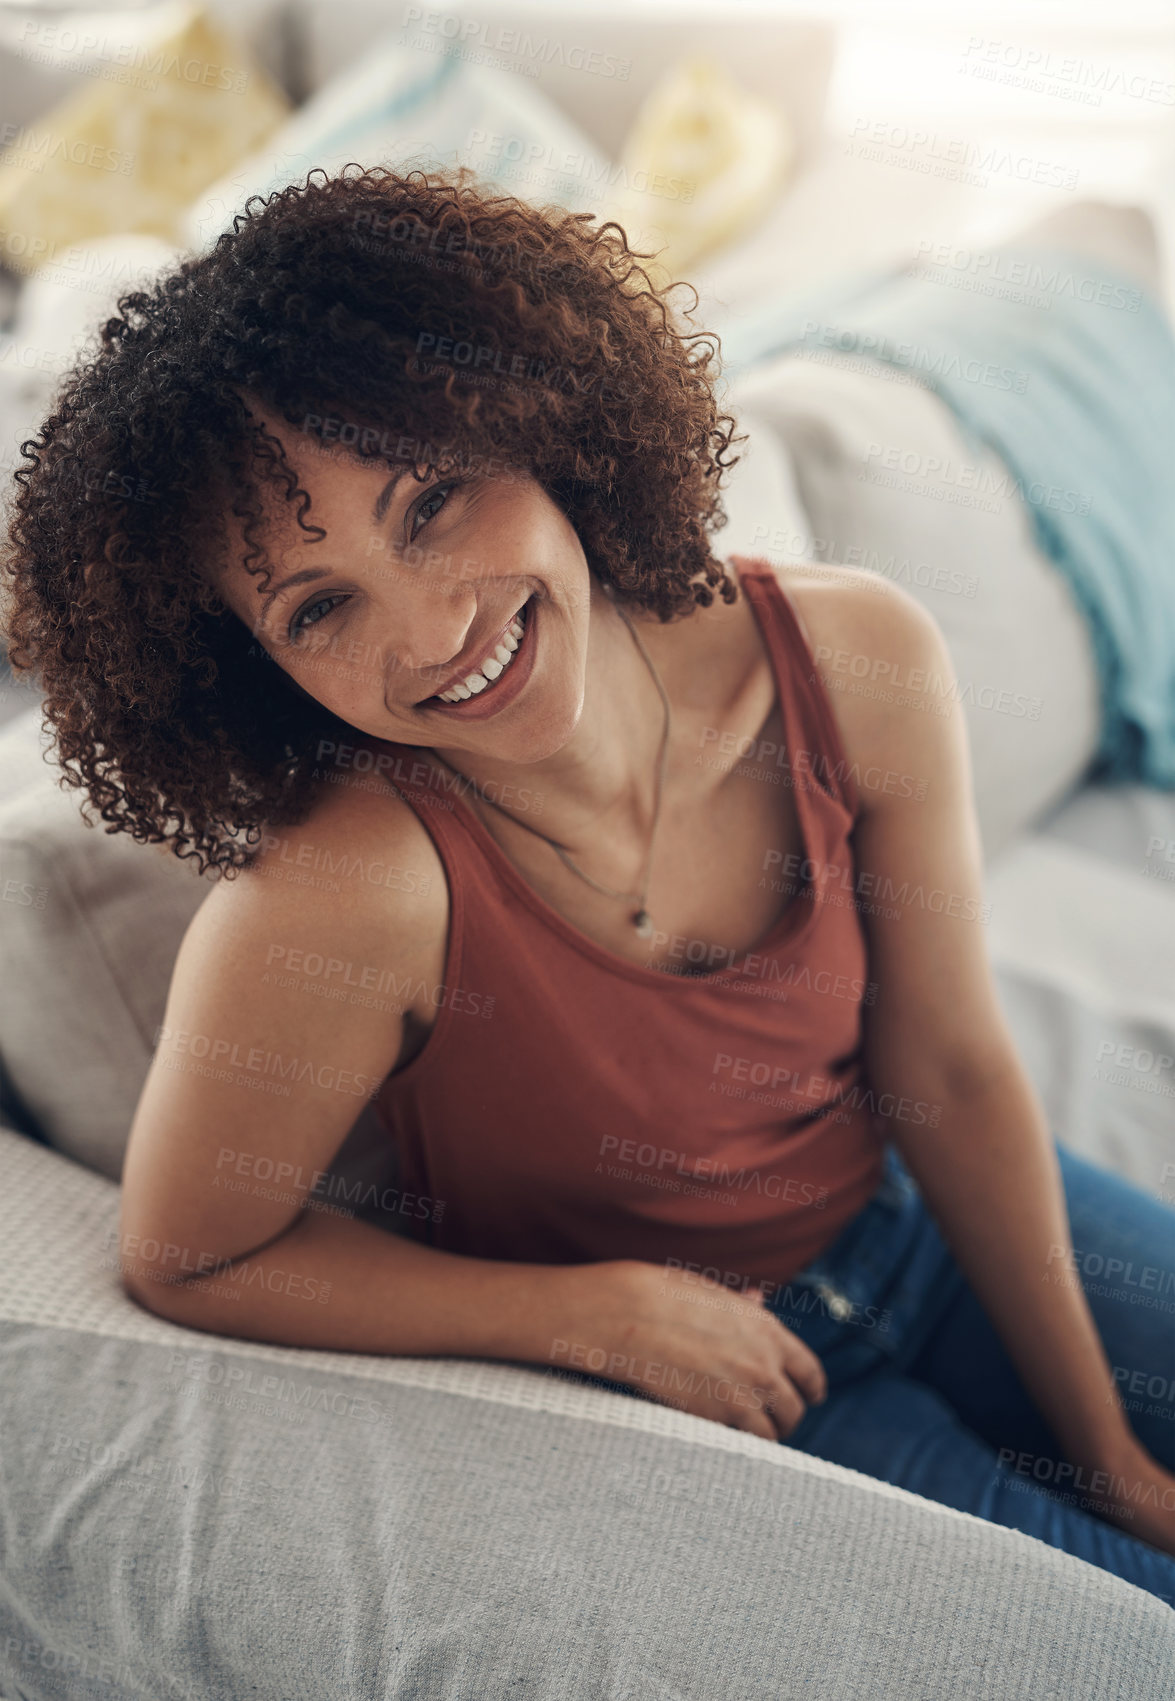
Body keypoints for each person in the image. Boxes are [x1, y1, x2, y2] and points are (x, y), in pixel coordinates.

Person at [3, 164, 1172, 1602]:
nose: (436, 628)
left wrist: (1108, 1452)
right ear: (256, 669)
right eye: (320, 606)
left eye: (432, 500)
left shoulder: (856, 659)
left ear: (535, 416)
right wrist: (590, 1315)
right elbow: (191, 1252)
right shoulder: (344, 897)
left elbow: (953, 1065)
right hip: (729, 1382)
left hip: (925, 1220)